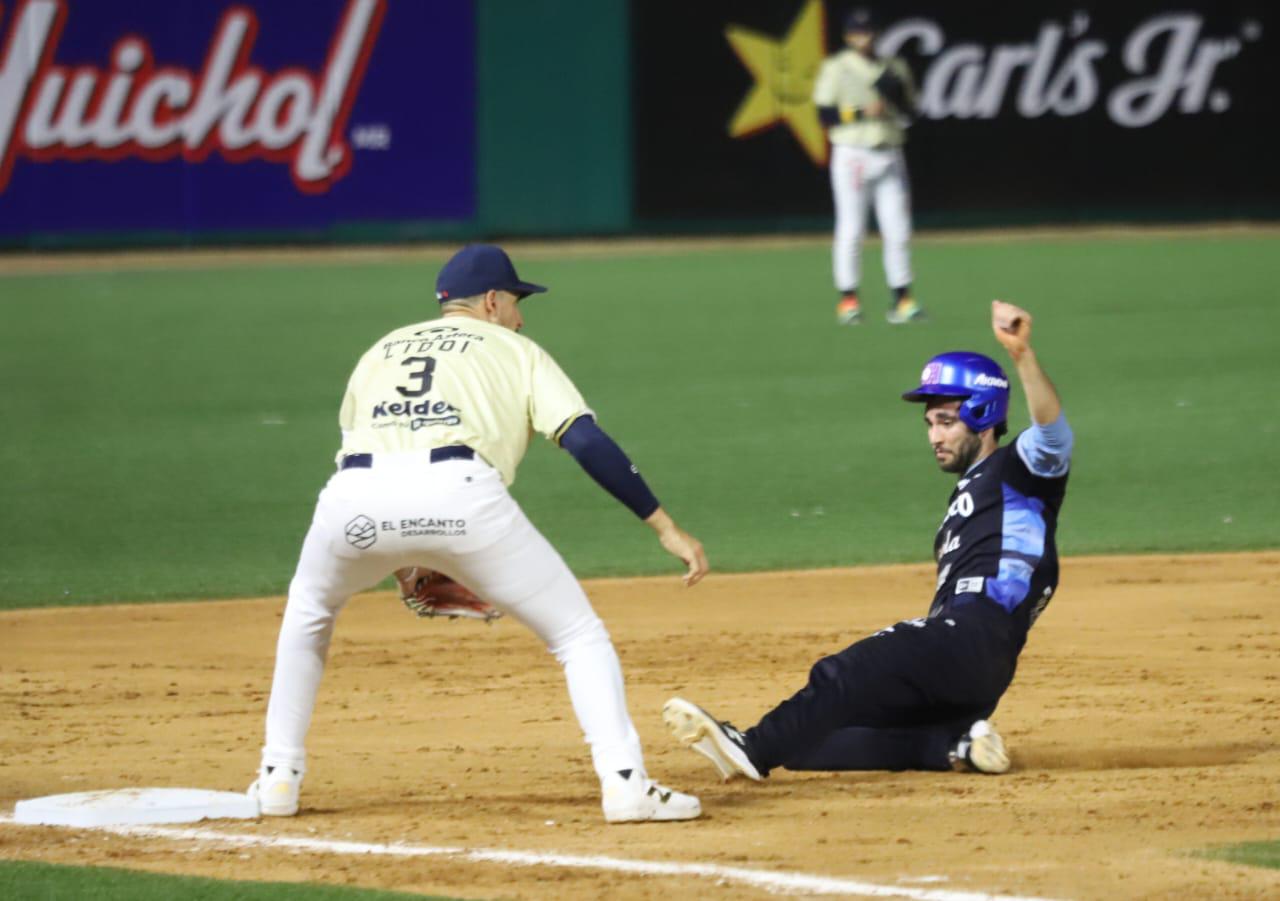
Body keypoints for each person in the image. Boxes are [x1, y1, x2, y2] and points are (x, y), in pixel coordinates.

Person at [249, 244, 708, 824]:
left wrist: (406, 558)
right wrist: (663, 526)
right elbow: (586, 441)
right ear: (492, 302)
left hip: (351, 501)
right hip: (461, 494)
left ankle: (277, 779)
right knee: (576, 635)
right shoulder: (515, 348)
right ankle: (625, 784)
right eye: (517, 302)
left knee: (310, 609)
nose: (521, 316)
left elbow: (372, 458)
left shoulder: (380, 349)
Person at [664, 301, 1071, 779]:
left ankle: (750, 749)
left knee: (842, 674)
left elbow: (1052, 432)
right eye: (930, 424)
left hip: (971, 638)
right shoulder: (971, 498)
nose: (933, 437)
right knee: (811, 741)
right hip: (971, 666)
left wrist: (1021, 354)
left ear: (982, 413)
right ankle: (954, 746)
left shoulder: (1019, 472)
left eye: (945, 420)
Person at [812, 7, 924, 326]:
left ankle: (903, 299)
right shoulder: (837, 68)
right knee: (851, 229)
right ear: (848, 36)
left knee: (898, 230)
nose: (865, 37)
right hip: (853, 152)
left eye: (869, 30)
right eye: (858, 32)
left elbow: (911, 113)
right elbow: (824, 115)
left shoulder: (895, 67)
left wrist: (898, 98)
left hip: (889, 150)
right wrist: (862, 112)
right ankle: (848, 300)